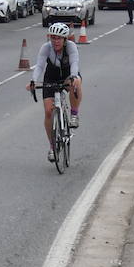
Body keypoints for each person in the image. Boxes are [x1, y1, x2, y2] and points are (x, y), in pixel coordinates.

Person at [28, 22, 83, 164]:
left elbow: (75, 63)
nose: (56, 41)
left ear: (65, 39)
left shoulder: (71, 47)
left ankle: (74, 114)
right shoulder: (46, 48)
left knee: (76, 83)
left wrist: (74, 77)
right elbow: (39, 65)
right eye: (53, 38)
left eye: (59, 38)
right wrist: (33, 80)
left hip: (67, 74)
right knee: (48, 112)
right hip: (51, 77)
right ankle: (52, 146)